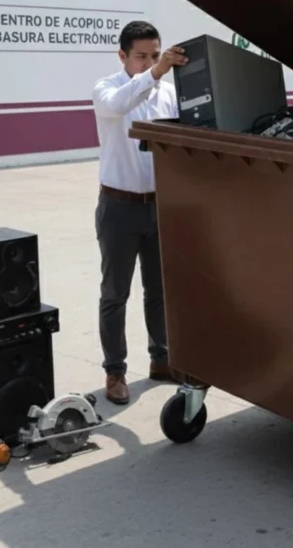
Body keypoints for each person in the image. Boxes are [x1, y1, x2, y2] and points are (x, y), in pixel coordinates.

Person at [92, 21, 188, 405]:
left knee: (159, 290)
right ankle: (115, 371)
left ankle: (161, 359)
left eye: (155, 55)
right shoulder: (106, 89)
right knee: (115, 294)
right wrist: (156, 72)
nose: (149, 62)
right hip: (118, 208)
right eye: (141, 56)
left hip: (158, 206)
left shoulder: (169, 94)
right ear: (122, 56)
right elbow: (120, 105)